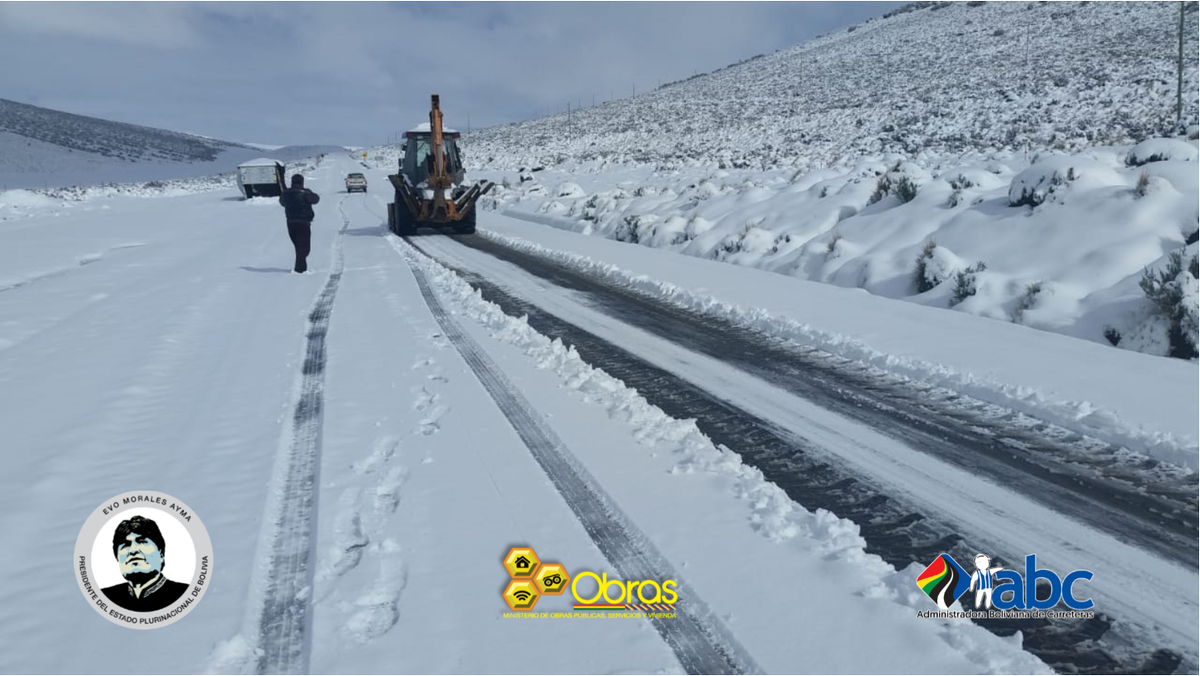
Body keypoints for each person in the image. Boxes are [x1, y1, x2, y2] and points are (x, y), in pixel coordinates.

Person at [100, 515, 190, 613]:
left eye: (142, 541)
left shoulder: (186, 595)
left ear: (161, 554)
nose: (133, 550)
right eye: (126, 545)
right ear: (117, 557)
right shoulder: (104, 598)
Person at [278, 174, 320, 273]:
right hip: (304, 222)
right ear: (302, 182)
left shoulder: (286, 193)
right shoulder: (306, 193)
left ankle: (300, 268)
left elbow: (282, 203)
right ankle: (300, 270)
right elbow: (316, 200)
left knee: (298, 246)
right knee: (304, 248)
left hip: (290, 222)